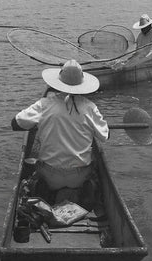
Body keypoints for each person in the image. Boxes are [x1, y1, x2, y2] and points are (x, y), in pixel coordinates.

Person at [11, 59, 109, 200]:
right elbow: (105, 136)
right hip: (79, 177)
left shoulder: (44, 104)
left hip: (50, 176)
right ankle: (85, 189)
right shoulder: (90, 107)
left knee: (35, 167)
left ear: (59, 82)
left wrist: (40, 123)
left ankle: (44, 191)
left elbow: (15, 124)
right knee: (93, 164)